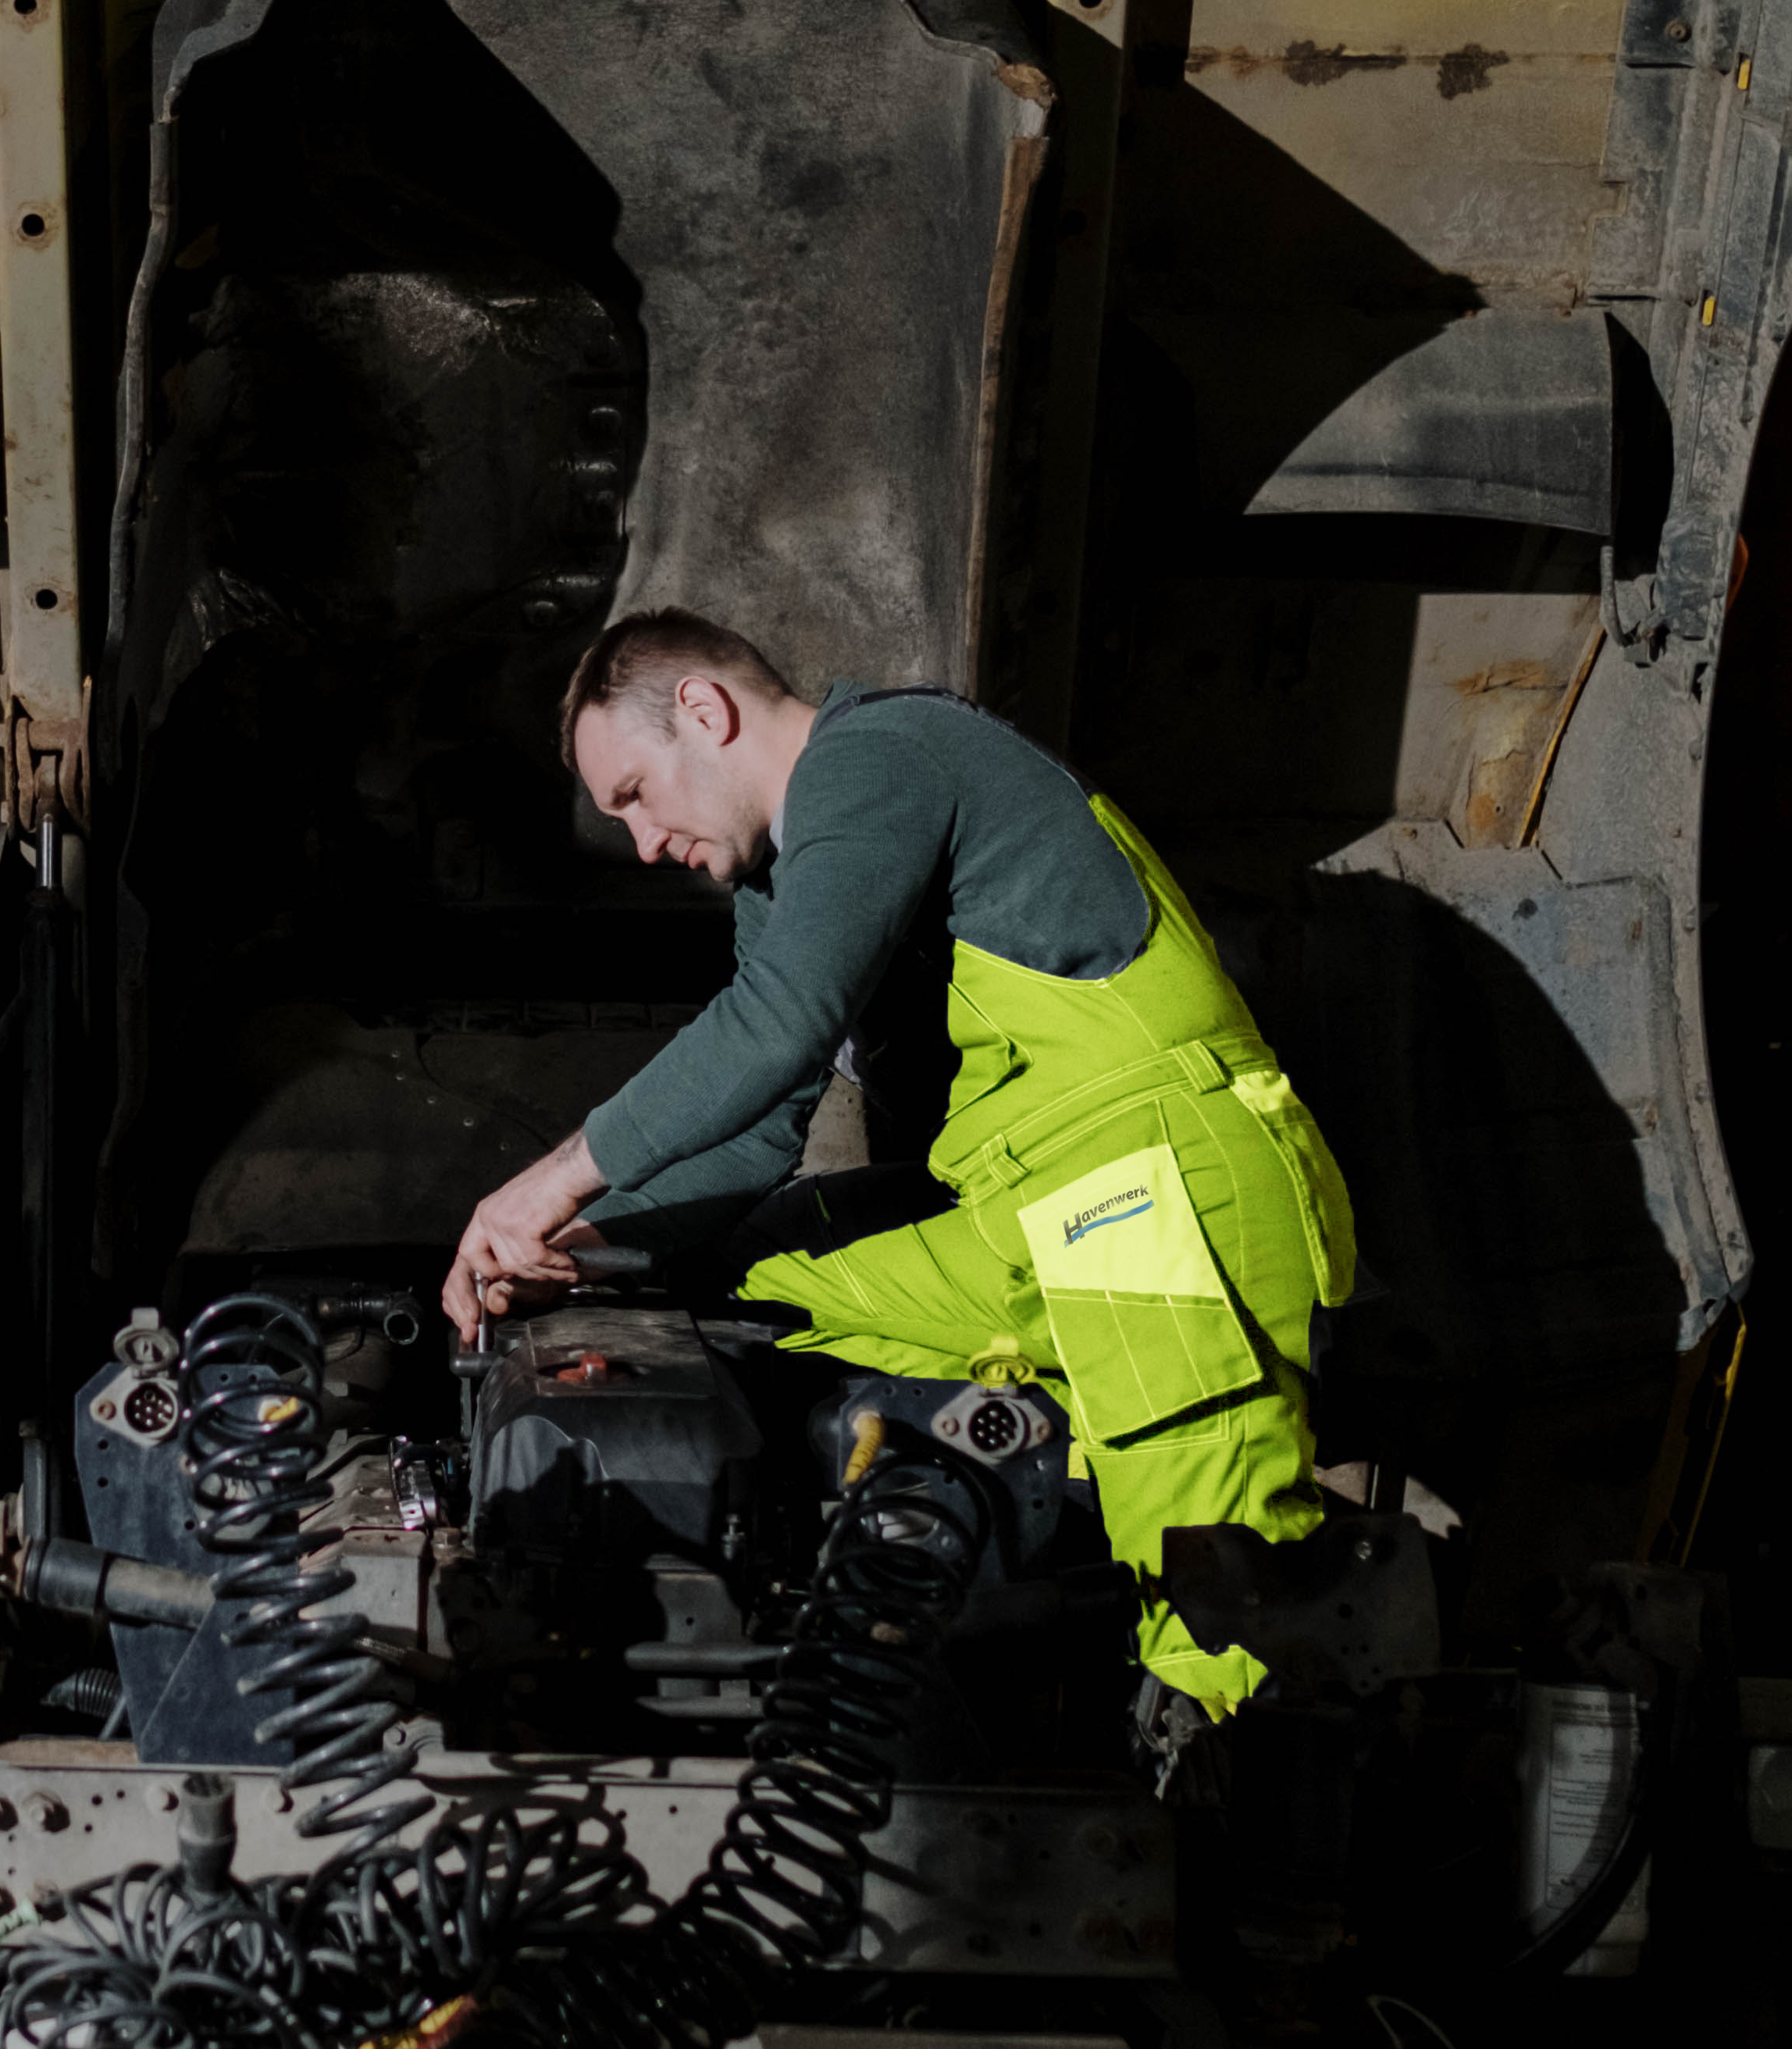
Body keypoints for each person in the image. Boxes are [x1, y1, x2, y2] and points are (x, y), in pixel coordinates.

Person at [443, 608, 1357, 1719]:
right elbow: (756, 1128)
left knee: (1215, 1642)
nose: (642, 844)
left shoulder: (878, 758)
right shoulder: (786, 879)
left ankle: (1260, 1844)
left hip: (1152, 1195)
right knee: (753, 1276)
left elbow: (775, 1025)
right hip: (1024, 1210)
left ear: (701, 708)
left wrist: (546, 1179)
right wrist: (579, 1250)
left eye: (635, 793)